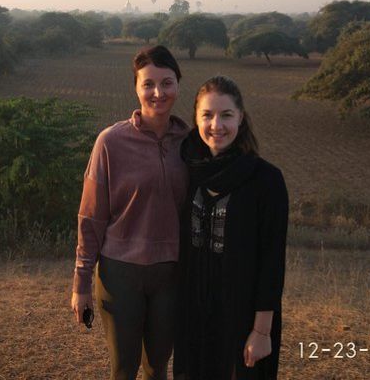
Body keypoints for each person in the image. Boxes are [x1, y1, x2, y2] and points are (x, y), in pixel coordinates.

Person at [70, 45, 190, 380]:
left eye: (166, 83)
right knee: (123, 368)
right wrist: (81, 283)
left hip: (171, 272)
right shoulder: (111, 142)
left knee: (157, 367)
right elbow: (91, 217)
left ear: (178, 85)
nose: (158, 92)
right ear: (136, 88)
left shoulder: (192, 142)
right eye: (148, 84)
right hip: (120, 272)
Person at [174, 75, 289, 380]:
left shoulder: (266, 180)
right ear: (196, 120)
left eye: (226, 115)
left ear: (241, 117)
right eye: (207, 116)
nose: (217, 125)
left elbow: (272, 262)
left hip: (243, 315)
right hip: (195, 313)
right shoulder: (189, 171)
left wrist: (261, 332)